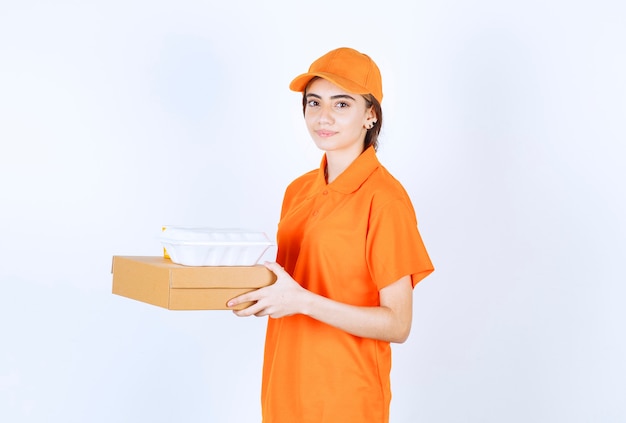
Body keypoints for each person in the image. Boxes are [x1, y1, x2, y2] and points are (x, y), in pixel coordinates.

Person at [227, 47, 434, 423]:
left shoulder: (384, 200)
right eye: (314, 102)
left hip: (345, 398)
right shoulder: (297, 190)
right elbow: (295, 286)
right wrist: (258, 295)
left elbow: (397, 323)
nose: (323, 117)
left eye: (341, 105)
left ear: (370, 114)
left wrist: (302, 302)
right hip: (284, 386)